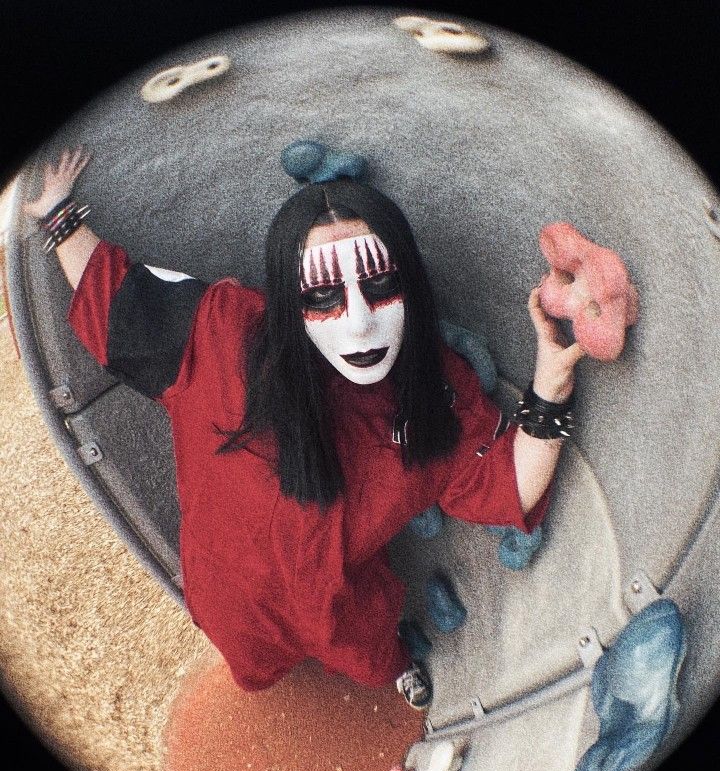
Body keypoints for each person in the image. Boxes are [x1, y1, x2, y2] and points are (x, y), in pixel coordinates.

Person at [25, 145, 584, 710]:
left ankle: (399, 671)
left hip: (344, 607)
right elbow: (122, 308)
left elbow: (508, 483)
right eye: (322, 295)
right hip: (231, 598)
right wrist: (57, 213)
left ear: (410, 284)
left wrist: (549, 386)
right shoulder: (224, 337)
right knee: (254, 663)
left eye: (381, 285)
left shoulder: (435, 393)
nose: (360, 323)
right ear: (290, 297)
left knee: (374, 656)